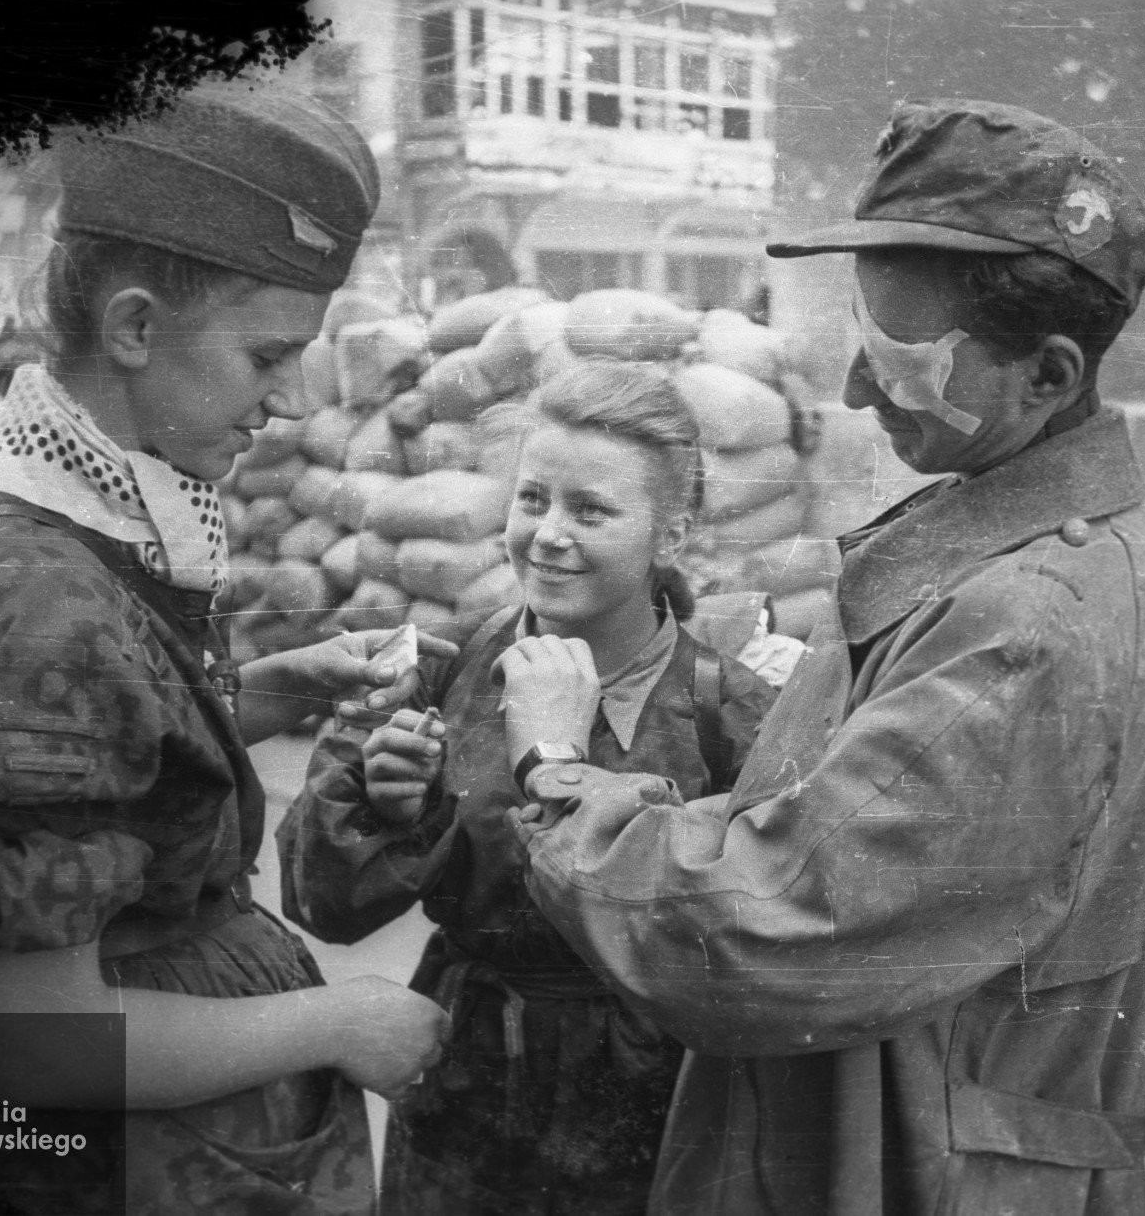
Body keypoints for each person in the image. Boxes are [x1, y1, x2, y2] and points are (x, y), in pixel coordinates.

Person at [500, 99, 1145, 1215]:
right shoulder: (1035, 552)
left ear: (1051, 375)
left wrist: (555, 771)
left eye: (902, 361)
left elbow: (753, 925)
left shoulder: (1023, 623)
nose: (857, 393)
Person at [0, 87, 451, 1215]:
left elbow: (95, 760)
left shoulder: (11, 506)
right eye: (267, 357)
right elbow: (43, 1046)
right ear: (137, 326)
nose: (294, 401)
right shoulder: (39, 597)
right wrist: (343, 1019)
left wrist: (253, 696)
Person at [277, 360, 777, 1215]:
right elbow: (321, 903)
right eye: (532, 498)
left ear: (673, 534)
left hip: (650, 1098)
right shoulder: (448, 664)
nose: (547, 534)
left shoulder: (730, 710)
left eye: (591, 510)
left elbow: (760, 936)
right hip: (463, 1086)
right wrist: (388, 808)